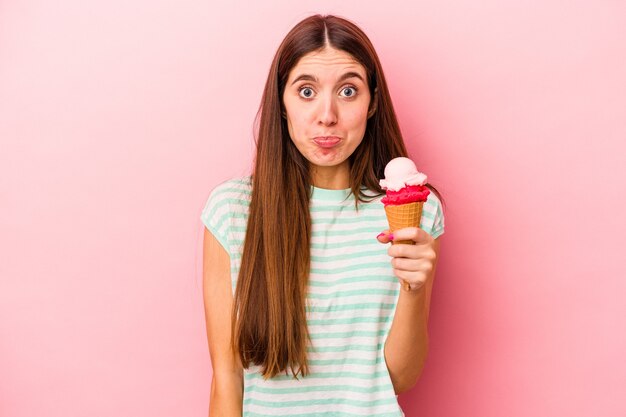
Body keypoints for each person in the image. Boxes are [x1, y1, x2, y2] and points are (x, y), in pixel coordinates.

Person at [201, 14, 445, 417]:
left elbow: (399, 378)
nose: (327, 115)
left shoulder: (413, 210)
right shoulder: (232, 211)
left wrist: (414, 288)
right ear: (281, 102)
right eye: (306, 91)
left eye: (349, 91)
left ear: (372, 104)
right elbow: (227, 379)